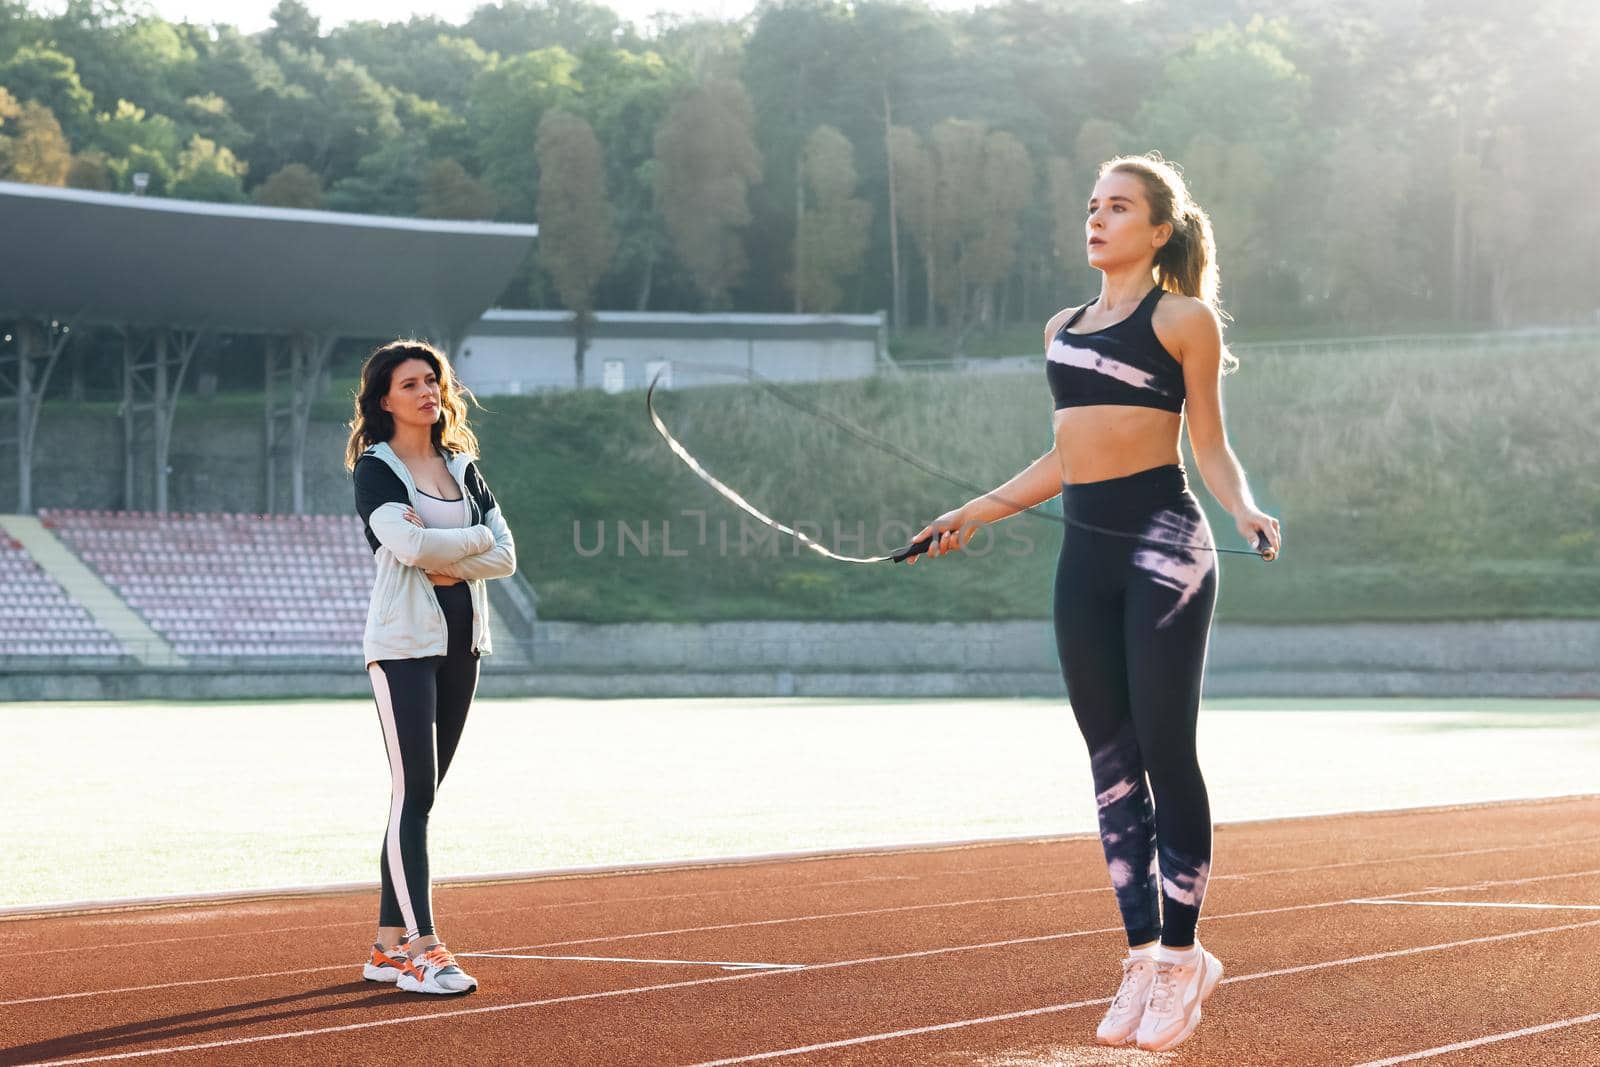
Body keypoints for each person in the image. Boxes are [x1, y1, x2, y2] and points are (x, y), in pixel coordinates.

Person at [908, 153, 1280, 1052]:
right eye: (1092, 205)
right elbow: (1065, 456)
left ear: (1160, 230)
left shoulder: (1182, 319)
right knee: (1111, 764)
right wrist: (971, 511)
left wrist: (1246, 506)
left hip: (1166, 550)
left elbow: (1209, 445)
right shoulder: (1061, 326)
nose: (1098, 218)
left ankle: (1186, 958)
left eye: (1119, 207)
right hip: (1085, 559)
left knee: (1164, 749)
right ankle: (1142, 955)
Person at [345, 339, 517, 995]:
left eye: (432, 380)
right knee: (412, 794)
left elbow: (506, 556)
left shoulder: (464, 467)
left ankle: (386, 948)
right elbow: (410, 544)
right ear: (384, 399)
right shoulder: (376, 469)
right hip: (402, 645)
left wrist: (458, 551)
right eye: (410, 383)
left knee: (420, 797)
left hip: (461, 642)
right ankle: (424, 949)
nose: (426, 391)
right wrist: (468, 542)